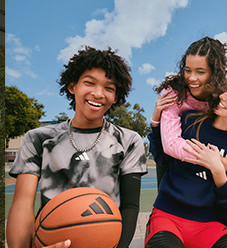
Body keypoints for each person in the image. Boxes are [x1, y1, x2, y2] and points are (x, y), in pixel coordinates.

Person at [6, 46, 147, 248]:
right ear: (72, 86)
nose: (98, 93)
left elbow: (130, 206)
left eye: (109, 88)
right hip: (51, 241)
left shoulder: (129, 140)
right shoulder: (38, 139)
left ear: (116, 96)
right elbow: (22, 205)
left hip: (106, 242)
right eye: (89, 83)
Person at [145, 75, 227, 248]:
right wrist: (156, 123)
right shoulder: (191, 121)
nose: (222, 95)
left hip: (209, 227)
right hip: (167, 218)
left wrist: (218, 172)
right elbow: (162, 157)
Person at [152, 36, 227, 187]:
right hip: (169, 158)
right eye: (187, 70)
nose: (192, 78)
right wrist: (222, 162)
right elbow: (171, 145)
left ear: (214, 73)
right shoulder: (174, 94)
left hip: (204, 164)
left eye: (200, 72)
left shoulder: (222, 95)